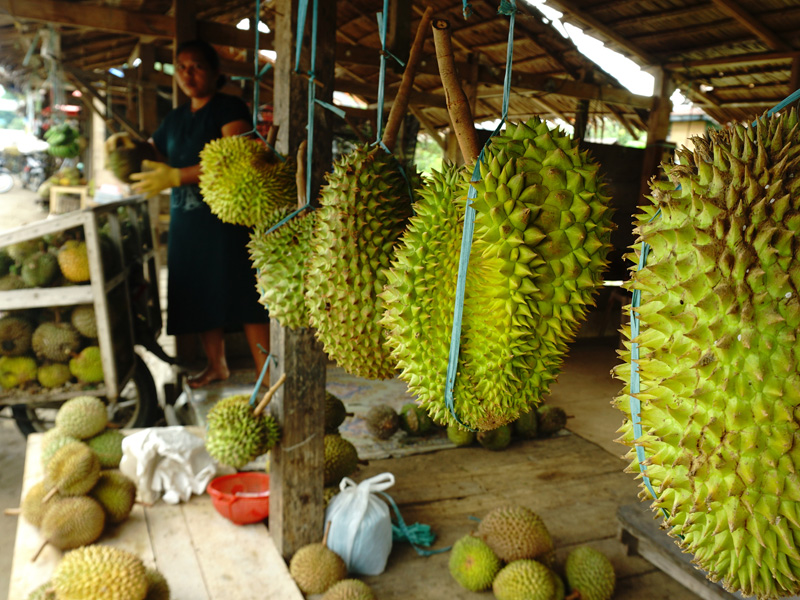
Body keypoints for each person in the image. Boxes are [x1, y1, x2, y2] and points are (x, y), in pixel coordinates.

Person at [121, 39, 269, 388]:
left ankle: (266, 371)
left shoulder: (228, 107)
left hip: (227, 221)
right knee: (198, 293)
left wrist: (176, 176)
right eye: (182, 67)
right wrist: (126, 149)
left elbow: (238, 155)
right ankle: (217, 365)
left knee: (247, 296)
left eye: (197, 66)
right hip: (186, 222)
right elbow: (153, 151)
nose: (187, 74)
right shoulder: (175, 119)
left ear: (215, 72)